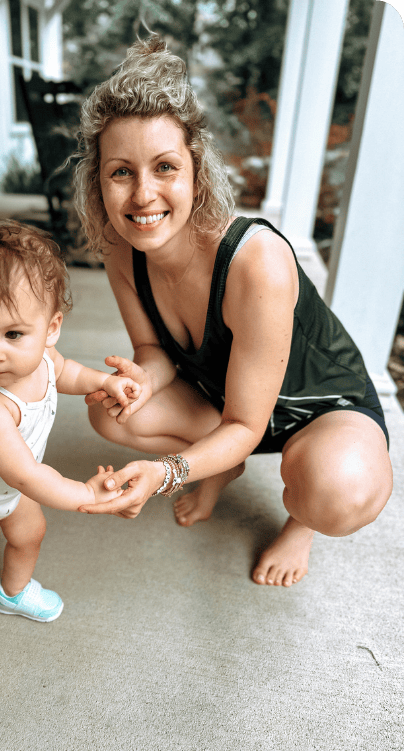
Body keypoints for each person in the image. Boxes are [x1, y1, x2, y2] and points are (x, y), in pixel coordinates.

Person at [73, 35, 393, 589]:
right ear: (98, 182)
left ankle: (301, 522)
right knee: (109, 408)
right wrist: (143, 380)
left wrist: (166, 473)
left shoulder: (255, 260)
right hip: (230, 408)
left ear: (196, 171)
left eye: (165, 167)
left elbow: (247, 422)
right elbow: (154, 349)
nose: (143, 194)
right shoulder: (122, 251)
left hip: (315, 411)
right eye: (121, 172)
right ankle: (224, 464)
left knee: (339, 493)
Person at [0, 221, 140, 682]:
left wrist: (103, 381)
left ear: (51, 328)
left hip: (4, 485)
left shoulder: (42, 359)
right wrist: (85, 494)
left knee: (29, 533)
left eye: (13, 334)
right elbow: (25, 476)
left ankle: (14, 592)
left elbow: (69, 373)